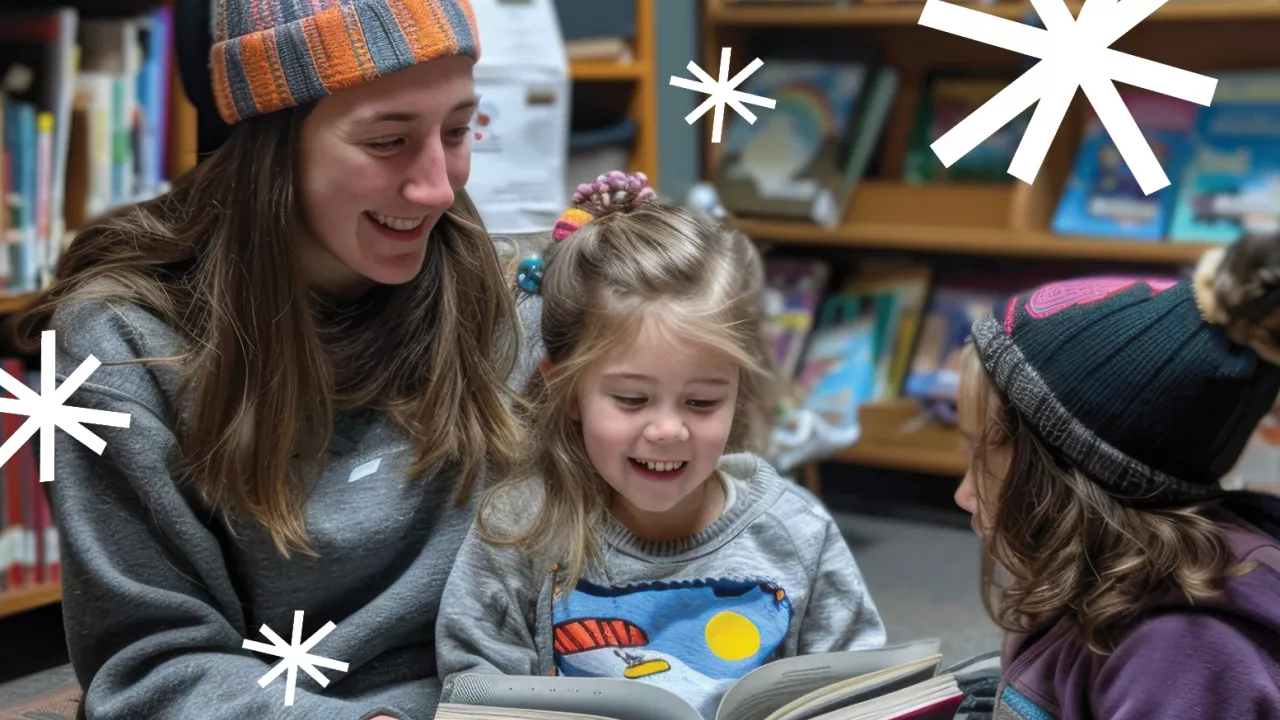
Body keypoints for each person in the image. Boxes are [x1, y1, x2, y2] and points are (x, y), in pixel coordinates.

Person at [16, 1, 544, 718]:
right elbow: (152, 669)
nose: (437, 188)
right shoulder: (119, 353)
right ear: (272, 147)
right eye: (388, 141)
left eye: (456, 131)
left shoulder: (512, 304)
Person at [434, 171, 885, 720]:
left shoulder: (796, 534)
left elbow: (860, 688)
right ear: (566, 389)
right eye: (631, 399)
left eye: (700, 403)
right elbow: (474, 688)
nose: (668, 430)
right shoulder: (520, 529)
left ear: (737, 391)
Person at [952, 237, 1280, 719]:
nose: (962, 495)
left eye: (983, 454)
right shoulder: (1089, 575)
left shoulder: (1179, 656)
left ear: (1065, 483)